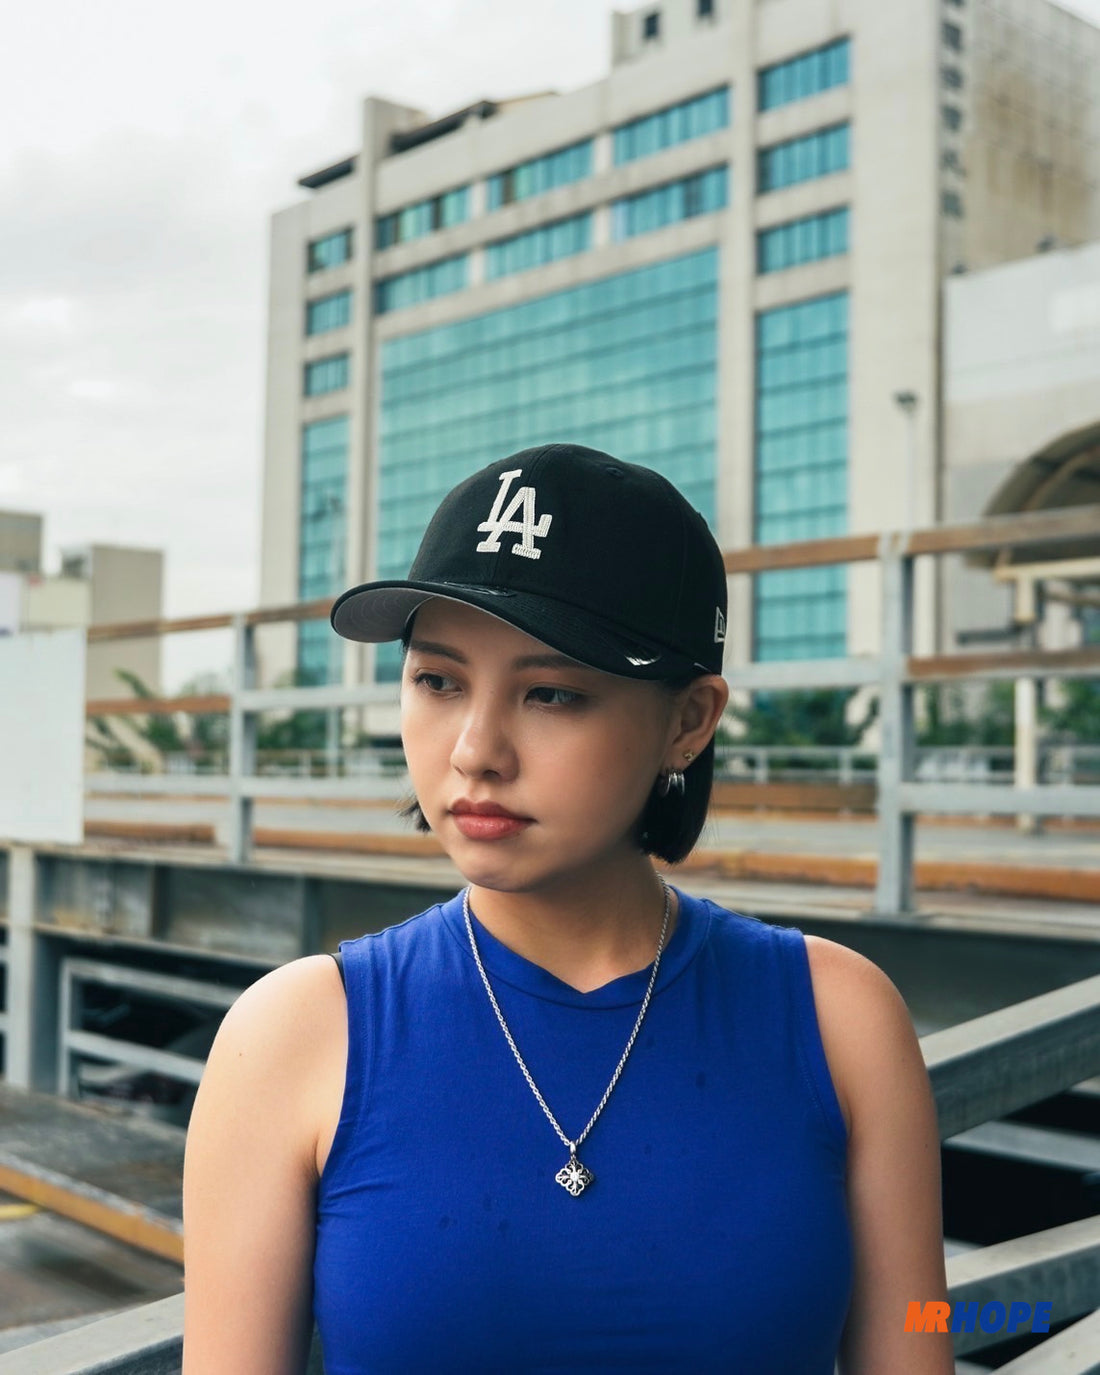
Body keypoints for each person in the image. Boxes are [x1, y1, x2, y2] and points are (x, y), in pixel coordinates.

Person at [182, 443, 953, 1374]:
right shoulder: (292, 1037)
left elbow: (919, 1335)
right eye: (438, 680)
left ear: (689, 720)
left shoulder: (842, 1020)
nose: (475, 750)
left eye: (551, 692)